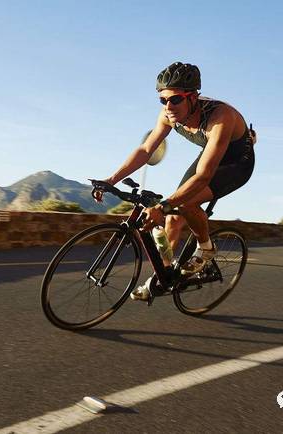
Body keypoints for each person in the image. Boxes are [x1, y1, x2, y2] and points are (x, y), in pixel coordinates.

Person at [93, 61, 256, 300]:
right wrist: (111, 179)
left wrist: (163, 205)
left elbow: (203, 176)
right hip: (210, 155)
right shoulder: (168, 115)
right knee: (171, 220)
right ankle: (164, 275)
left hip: (237, 163)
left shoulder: (221, 117)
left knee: (183, 204)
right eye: (163, 100)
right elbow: (146, 149)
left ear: (193, 97)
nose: (168, 106)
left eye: (175, 99)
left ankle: (206, 249)